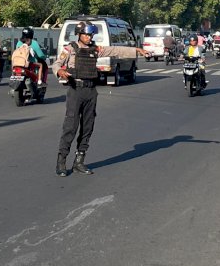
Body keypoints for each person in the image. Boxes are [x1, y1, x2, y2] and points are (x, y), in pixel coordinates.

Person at [53, 20, 150, 177]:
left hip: (91, 91)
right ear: (79, 34)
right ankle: (61, 161)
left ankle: (79, 161)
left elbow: (115, 50)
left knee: (88, 127)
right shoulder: (70, 49)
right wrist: (60, 72)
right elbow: (57, 64)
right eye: (86, 34)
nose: (89, 37)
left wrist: (137, 50)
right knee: (70, 126)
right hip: (76, 90)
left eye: (91, 34)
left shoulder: (95, 49)